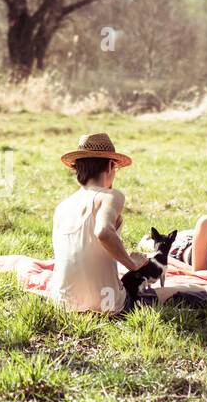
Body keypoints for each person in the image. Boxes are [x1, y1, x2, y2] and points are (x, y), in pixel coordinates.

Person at [47, 133, 148, 314]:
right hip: (107, 304)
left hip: (62, 304)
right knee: (160, 292)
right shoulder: (110, 196)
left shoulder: (62, 206)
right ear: (110, 165)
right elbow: (103, 231)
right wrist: (131, 263)